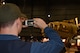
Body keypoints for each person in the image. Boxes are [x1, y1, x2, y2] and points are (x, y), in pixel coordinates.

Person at [0, 3, 64, 53]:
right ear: (17, 22)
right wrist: (45, 27)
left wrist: (17, 26)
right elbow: (58, 44)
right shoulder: (30, 49)